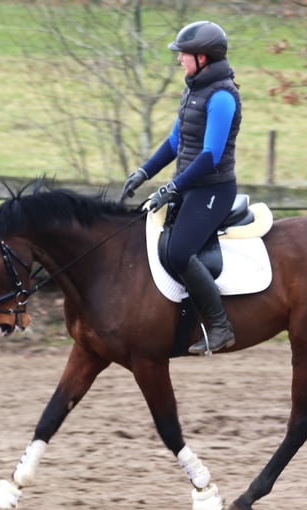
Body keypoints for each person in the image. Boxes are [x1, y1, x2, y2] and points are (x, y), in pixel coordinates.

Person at [121, 20, 242, 355]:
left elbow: (210, 155)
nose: (179, 59)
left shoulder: (222, 97)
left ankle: (220, 326)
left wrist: (171, 187)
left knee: (177, 252)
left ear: (203, 57)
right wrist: (143, 173)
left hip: (213, 190)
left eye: (184, 54)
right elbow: (176, 141)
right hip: (190, 186)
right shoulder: (193, 89)